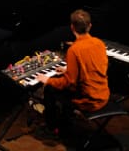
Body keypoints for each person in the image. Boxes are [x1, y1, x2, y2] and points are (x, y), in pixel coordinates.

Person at [35, 9, 110, 138]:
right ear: (90, 26)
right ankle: (66, 121)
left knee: (49, 89)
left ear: (72, 27)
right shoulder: (99, 43)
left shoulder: (74, 50)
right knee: (65, 85)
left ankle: (52, 129)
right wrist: (68, 70)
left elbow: (68, 82)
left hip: (89, 101)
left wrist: (47, 80)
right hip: (103, 95)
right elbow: (92, 69)